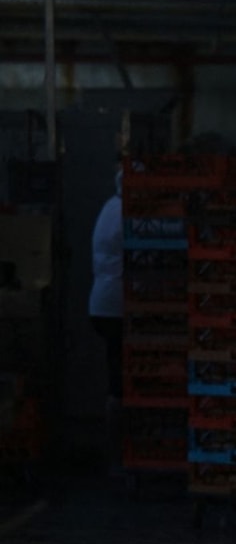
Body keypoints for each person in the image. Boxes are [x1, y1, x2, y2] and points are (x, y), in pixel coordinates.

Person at [88, 167, 125, 477]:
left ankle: (115, 455)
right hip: (116, 306)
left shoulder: (109, 206)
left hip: (104, 304)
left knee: (117, 379)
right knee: (121, 385)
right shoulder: (126, 211)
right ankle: (117, 456)